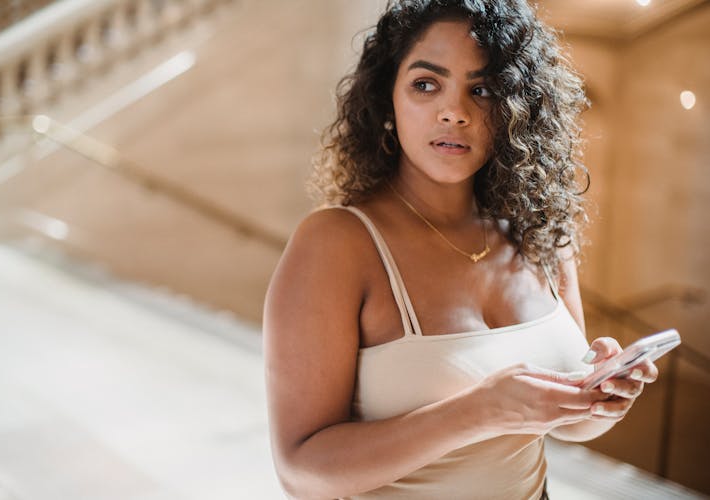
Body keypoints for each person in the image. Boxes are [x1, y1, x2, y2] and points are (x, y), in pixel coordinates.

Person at [263, 1, 659, 498]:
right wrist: (477, 412)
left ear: (516, 106)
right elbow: (300, 472)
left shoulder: (539, 234)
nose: (455, 111)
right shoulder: (337, 244)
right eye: (426, 84)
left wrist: (603, 399)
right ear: (388, 100)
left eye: (484, 89)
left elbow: (567, 425)